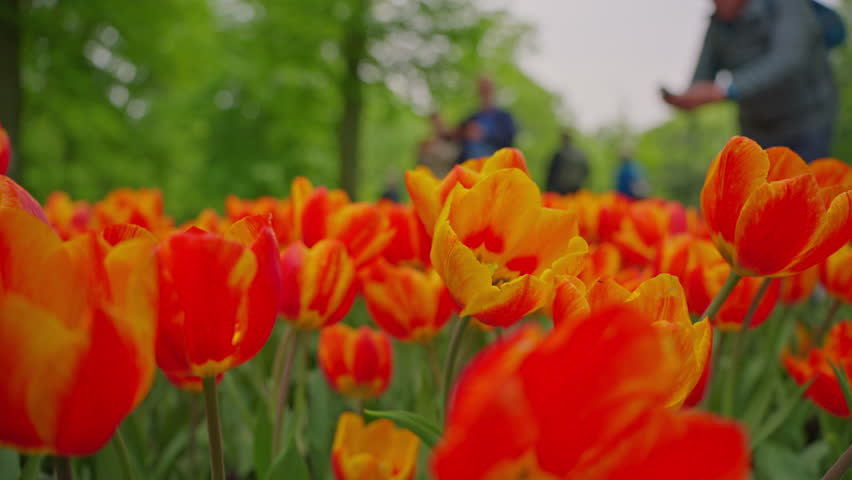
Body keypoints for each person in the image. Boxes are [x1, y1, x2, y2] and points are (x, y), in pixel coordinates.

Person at [662, 0, 837, 162]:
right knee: (760, 189)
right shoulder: (716, 26)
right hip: (758, 130)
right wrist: (687, 98)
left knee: (809, 185)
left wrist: (727, 89)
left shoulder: (786, 5)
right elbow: (702, 78)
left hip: (806, 121)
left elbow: (787, 58)